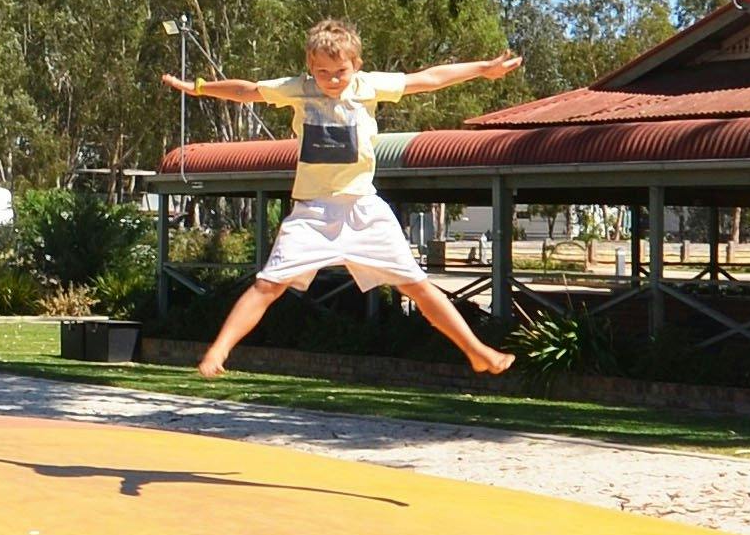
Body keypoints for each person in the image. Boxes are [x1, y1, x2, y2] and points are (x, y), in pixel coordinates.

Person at [163, 19, 527, 376]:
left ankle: (479, 353)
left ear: (356, 65)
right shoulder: (298, 89)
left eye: (340, 71)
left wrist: (482, 69)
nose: (332, 80)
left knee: (416, 285)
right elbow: (246, 91)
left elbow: (428, 78)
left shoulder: (368, 86)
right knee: (267, 285)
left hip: (363, 208)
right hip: (312, 212)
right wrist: (198, 88)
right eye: (322, 72)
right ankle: (217, 352)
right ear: (310, 67)